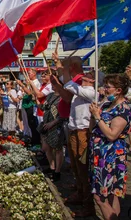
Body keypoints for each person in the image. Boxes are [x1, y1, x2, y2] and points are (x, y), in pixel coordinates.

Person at [89, 74, 131, 220]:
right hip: (99, 155)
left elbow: (112, 135)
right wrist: (93, 115)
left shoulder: (123, 109)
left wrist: (98, 117)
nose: (104, 89)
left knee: (100, 196)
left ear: (118, 90)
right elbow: (92, 129)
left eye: (108, 87)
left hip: (111, 157)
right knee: (112, 195)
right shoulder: (107, 105)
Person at [57, 62, 96, 217]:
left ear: (92, 81)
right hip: (74, 131)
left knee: (83, 166)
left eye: (87, 78)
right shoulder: (80, 91)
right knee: (75, 165)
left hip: (83, 132)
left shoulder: (90, 92)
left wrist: (63, 69)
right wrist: (61, 69)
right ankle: (80, 192)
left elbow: (68, 83)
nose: (83, 79)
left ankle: (88, 204)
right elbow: (67, 84)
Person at [38, 75, 65, 182]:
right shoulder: (50, 95)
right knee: (47, 147)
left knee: (57, 148)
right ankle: (52, 167)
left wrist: (53, 123)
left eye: (54, 84)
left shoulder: (63, 97)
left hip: (56, 125)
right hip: (46, 124)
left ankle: (57, 171)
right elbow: (44, 106)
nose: (52, 86)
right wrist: (36, 99)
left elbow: (63, 114)